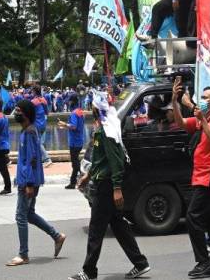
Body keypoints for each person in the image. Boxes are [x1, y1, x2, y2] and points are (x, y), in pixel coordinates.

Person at [70, 92, 150, 280]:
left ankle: (89, 271)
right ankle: (140, 263)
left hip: (106, 186)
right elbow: (101, 159)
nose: (91, 108)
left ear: (97, 109)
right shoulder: (102, 128)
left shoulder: (107, 130)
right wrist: (88, 176)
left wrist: (116, 188)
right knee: (119, 226)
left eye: (93, 105)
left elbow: (116, 161)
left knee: (96, 229)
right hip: (101, 181)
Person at [171, 79, 210, 278]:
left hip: (209, 179)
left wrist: (202, 119)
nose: (201, 101)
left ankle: (204, 262)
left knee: (193, 218)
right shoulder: (203, 119)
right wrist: (175, 102)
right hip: (200, 177)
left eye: (205, 98)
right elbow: (181, 123)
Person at [7, 99, 66, 266]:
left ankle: (23, 254)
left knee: (21, 216)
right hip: (28, 180)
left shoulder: (30, 132)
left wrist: (29, 184)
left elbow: (32, 159)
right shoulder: (27, 131)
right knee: (29, 214)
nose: (16, 113)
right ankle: (57, 236)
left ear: (26, 113)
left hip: (28, 182)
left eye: (18, 110)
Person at [58, 95, 85, 189]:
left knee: (75, 163)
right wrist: (65, 126)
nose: (68, 103)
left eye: (69, 101)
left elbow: (73, 126)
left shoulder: (74, 113)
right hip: (80, 140)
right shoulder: (80, 111)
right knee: (75, 162)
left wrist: (64, 124)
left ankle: (83, 176)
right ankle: (73, 182)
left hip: (74, 141)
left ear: (72, 102)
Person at [31, 85, 52, 167]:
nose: (31, 92)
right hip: (43, 124)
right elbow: (47, 113)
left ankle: (47, 159)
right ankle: (39, 160)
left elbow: (30, 114)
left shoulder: (33, 101)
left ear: (34, 91)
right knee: (40, 142)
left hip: (36, 125)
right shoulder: (43, 100)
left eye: (32, 91)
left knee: (37, 142)